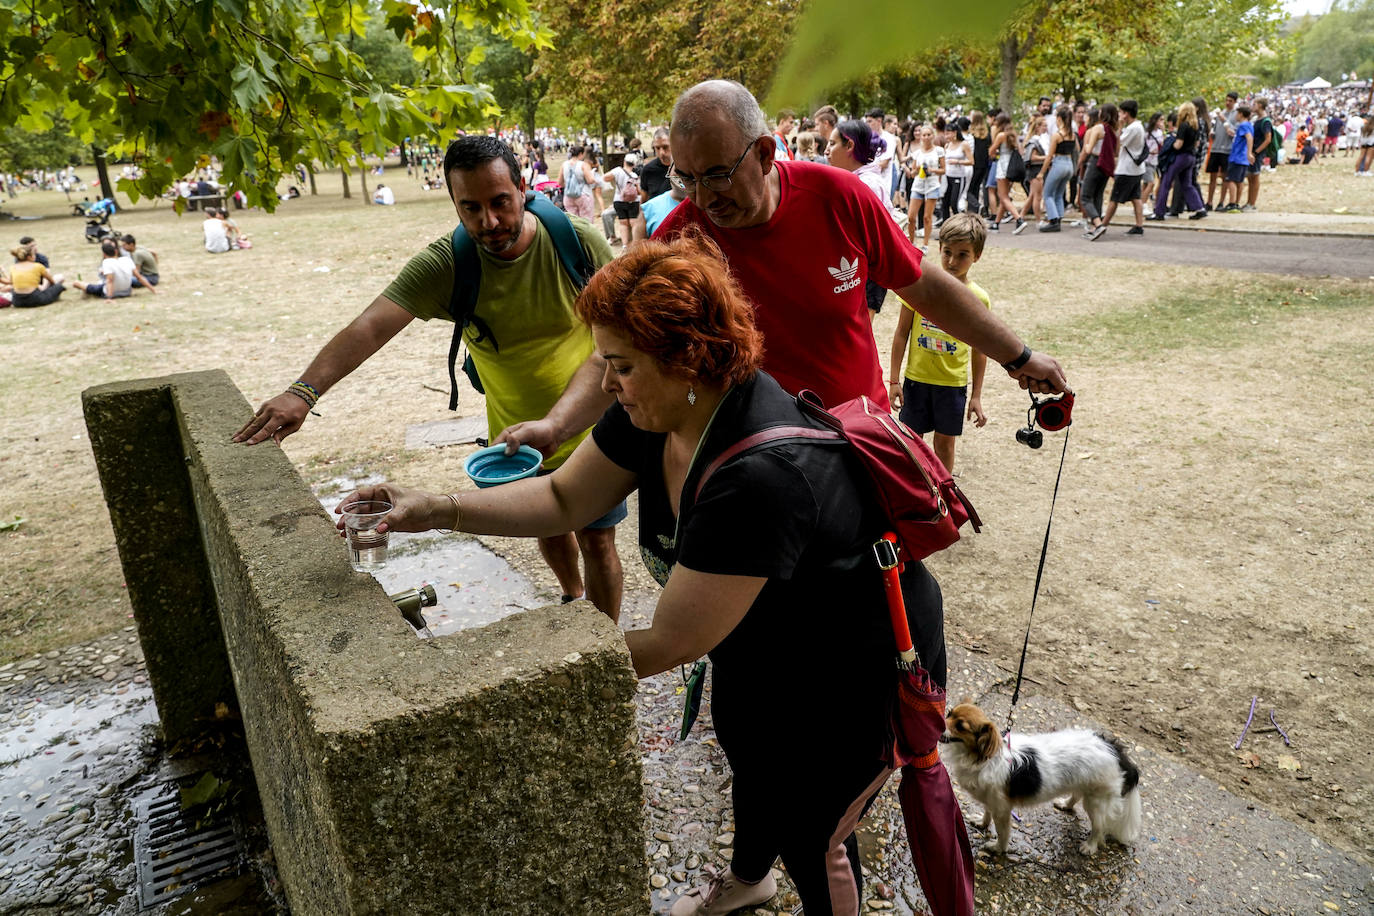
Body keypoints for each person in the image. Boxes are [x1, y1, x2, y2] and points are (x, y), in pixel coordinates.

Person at [335, 232, 932, 916]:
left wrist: (502, 679)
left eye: (617, 365)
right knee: (748, 750)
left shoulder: (759, 477)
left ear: (688, 360)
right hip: (761, 638)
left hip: (849, 667)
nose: (604, 384)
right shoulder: (656, 409)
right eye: (602, 363)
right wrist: (435, 508)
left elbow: (670, 640)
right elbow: (564, 497)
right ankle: (749, 879)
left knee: (813, 829)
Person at [495, 80, 1069, 703]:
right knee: (763, 629)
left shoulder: (840, 198)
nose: (704, 197)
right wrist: (555, 427)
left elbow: (923, 286)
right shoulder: (685, 240)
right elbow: (623, 350)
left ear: (767, 152)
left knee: (873, 620)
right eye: (684, 178)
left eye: (717, 174)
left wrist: (1019, 356)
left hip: (856, 459)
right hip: (759, 468)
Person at [232, 135, 626, 621]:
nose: (490, 222)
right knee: (547, 526)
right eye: (471, 208)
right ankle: (572, 598)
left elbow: (623, 341)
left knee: (598, 537)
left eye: (500, 202)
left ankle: (609, 644)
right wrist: (303, 392)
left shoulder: (578, 242)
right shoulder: (448, 264)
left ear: (522, 188)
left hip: (591, 424)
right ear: (455, 206)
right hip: (515, 436)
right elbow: (371, 325)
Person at [889, 212, 988, 475]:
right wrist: (894, 380)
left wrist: (976, 395)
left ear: (977, 255)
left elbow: (980, 350)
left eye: (963, 254)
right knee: (911, 441)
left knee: (944, 444)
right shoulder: (919, 286)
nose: (953, 261)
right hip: (916, 380)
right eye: (947, 252)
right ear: (939, 248)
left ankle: (943, 491)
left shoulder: (978, 298)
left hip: (952, 385)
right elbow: (901, 333)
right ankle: (914, 488)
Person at [1090, 98, 1147, 240]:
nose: (1119, 115)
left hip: (1127, 169)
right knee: (1136, 197)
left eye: (1121, 112)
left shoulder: (1133, 128)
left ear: (1126, 114)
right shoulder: (1139, 127)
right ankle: (1139, 225)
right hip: (1136, 169)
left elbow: (1119, 142)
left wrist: (1120, 126)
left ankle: (1102, 225)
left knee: (1114, 199)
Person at [1149, 100, 1207, 221]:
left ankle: (1159, 212)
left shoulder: (1183, 126)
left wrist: (1171, 143)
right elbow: (1196, 143)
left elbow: (1178, 145)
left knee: (1165, 182)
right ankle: (1199, 208)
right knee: (1187, 184)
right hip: (1191, 157)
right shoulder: (1195, 126)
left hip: (1180, 157)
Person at [903, 125, 945, 251]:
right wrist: (916, 170)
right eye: (924, 135)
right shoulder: (917, 153)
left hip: (932, 185)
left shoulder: (939, 151)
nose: (926, 137)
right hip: (918, 185)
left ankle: (925, 245)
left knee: (927, 217)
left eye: (928, 134)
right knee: (911, 217)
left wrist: (931, 170)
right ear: (920, 137)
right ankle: (911, 243)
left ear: (933, 135)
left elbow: (943, 170)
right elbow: (913, 172)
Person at [1077, 103, 1117, 238]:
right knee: (1098, 195)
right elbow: (1116, 151)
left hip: (1095, 162)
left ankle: (1098, 224)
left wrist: (1087, 143)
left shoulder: (1098, 128)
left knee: (1085, 197)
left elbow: (1088, 150)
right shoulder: (1113, 130)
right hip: (1106, 165)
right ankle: (1096, 227)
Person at [1037, 105, 1076, 232]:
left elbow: (1049, 156)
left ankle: (1053, 220)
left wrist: (1042, 172)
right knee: (1059, 193)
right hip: (1069, 164)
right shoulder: (1072, 135)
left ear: (1059, 118)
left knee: (1047, 193)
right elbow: (1077, 151)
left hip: (1059, 163)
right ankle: (1058, 217)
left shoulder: (1057, 135)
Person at [989, 113, 1026, 233]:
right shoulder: (1013, 135)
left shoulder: (1001, 135)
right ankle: (996, 224)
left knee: (1003, 197)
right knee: (1005, 196)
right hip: (1013, 166)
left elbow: (991, 150)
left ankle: (1019, 219)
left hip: (1003, 165)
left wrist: (994, 153)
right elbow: (1020, 150)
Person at [1204, 91, 1239, 210]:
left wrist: (1225, 120)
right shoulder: (1219, 114)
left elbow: (1233, 132)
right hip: (1215, 148)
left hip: (1227, 149)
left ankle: (1221, 202)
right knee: (1212, 176)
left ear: (1235, 102)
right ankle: (1209, 202)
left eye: (1230, 101)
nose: (1228, 103)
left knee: (1225, 177)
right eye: (1226, 100)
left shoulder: (1235, 115)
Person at [1218, 104, 1253, 213]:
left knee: (1231, 180)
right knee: (1239, 181)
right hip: (1242, 159)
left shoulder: (1243, 125)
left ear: (1241, 114)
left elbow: (1249, 137)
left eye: (1237, 114)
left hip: (1237, 157)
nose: (1236, 116)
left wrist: (1249, 153)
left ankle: (1232, 203)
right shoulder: (1249, 125)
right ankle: (1236, 202)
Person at [611, 153, 643, 247]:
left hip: (619, 200)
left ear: (624, 161)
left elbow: (605, 177)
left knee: (623, 223)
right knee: (634, 222)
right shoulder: (636, 174)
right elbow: (639, 191)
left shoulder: (617, 171)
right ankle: (635, 243)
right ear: (634, 164)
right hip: (634, 201)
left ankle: (625, 245)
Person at [560, 145, 598, 220]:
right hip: (584, 194)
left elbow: (560, 182)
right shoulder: (583, 165)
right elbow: (590, 180)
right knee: (586, 220)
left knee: (573, 221)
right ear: (581, 154)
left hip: (568, 196)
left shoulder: (564, 164)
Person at [639, 129, 673, 201]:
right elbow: (644, 201)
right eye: (657, 148)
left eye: (665, 147)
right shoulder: (648, 170)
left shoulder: (684, 168)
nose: (661, 153)